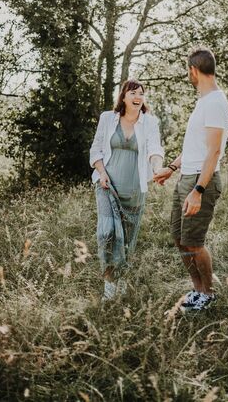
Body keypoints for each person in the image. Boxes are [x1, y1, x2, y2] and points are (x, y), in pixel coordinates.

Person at [153, 47, 228, 312]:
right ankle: (196, 290)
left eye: (189, 71)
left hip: (201, 180)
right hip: (186, 176)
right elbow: (195, 146)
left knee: (194, 243)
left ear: (193, 70)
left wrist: (198, 190)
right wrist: (172, 168)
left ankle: (207, 294)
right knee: (180, 237)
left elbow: (213, 151)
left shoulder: (216, 102)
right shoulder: (203, 101)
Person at [90, 79, 164, 301]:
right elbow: (96, 149)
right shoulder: (107, 119)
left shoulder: (150, 122)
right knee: (107, 233)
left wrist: (158, 168)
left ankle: (120, 283)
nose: (138, 97)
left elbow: (154, 148)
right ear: (123, 97)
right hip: (107, 185)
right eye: (133, 93)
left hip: (134, 191)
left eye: (141, 93)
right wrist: (102, 173)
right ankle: (108, 288)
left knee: (127, 242)